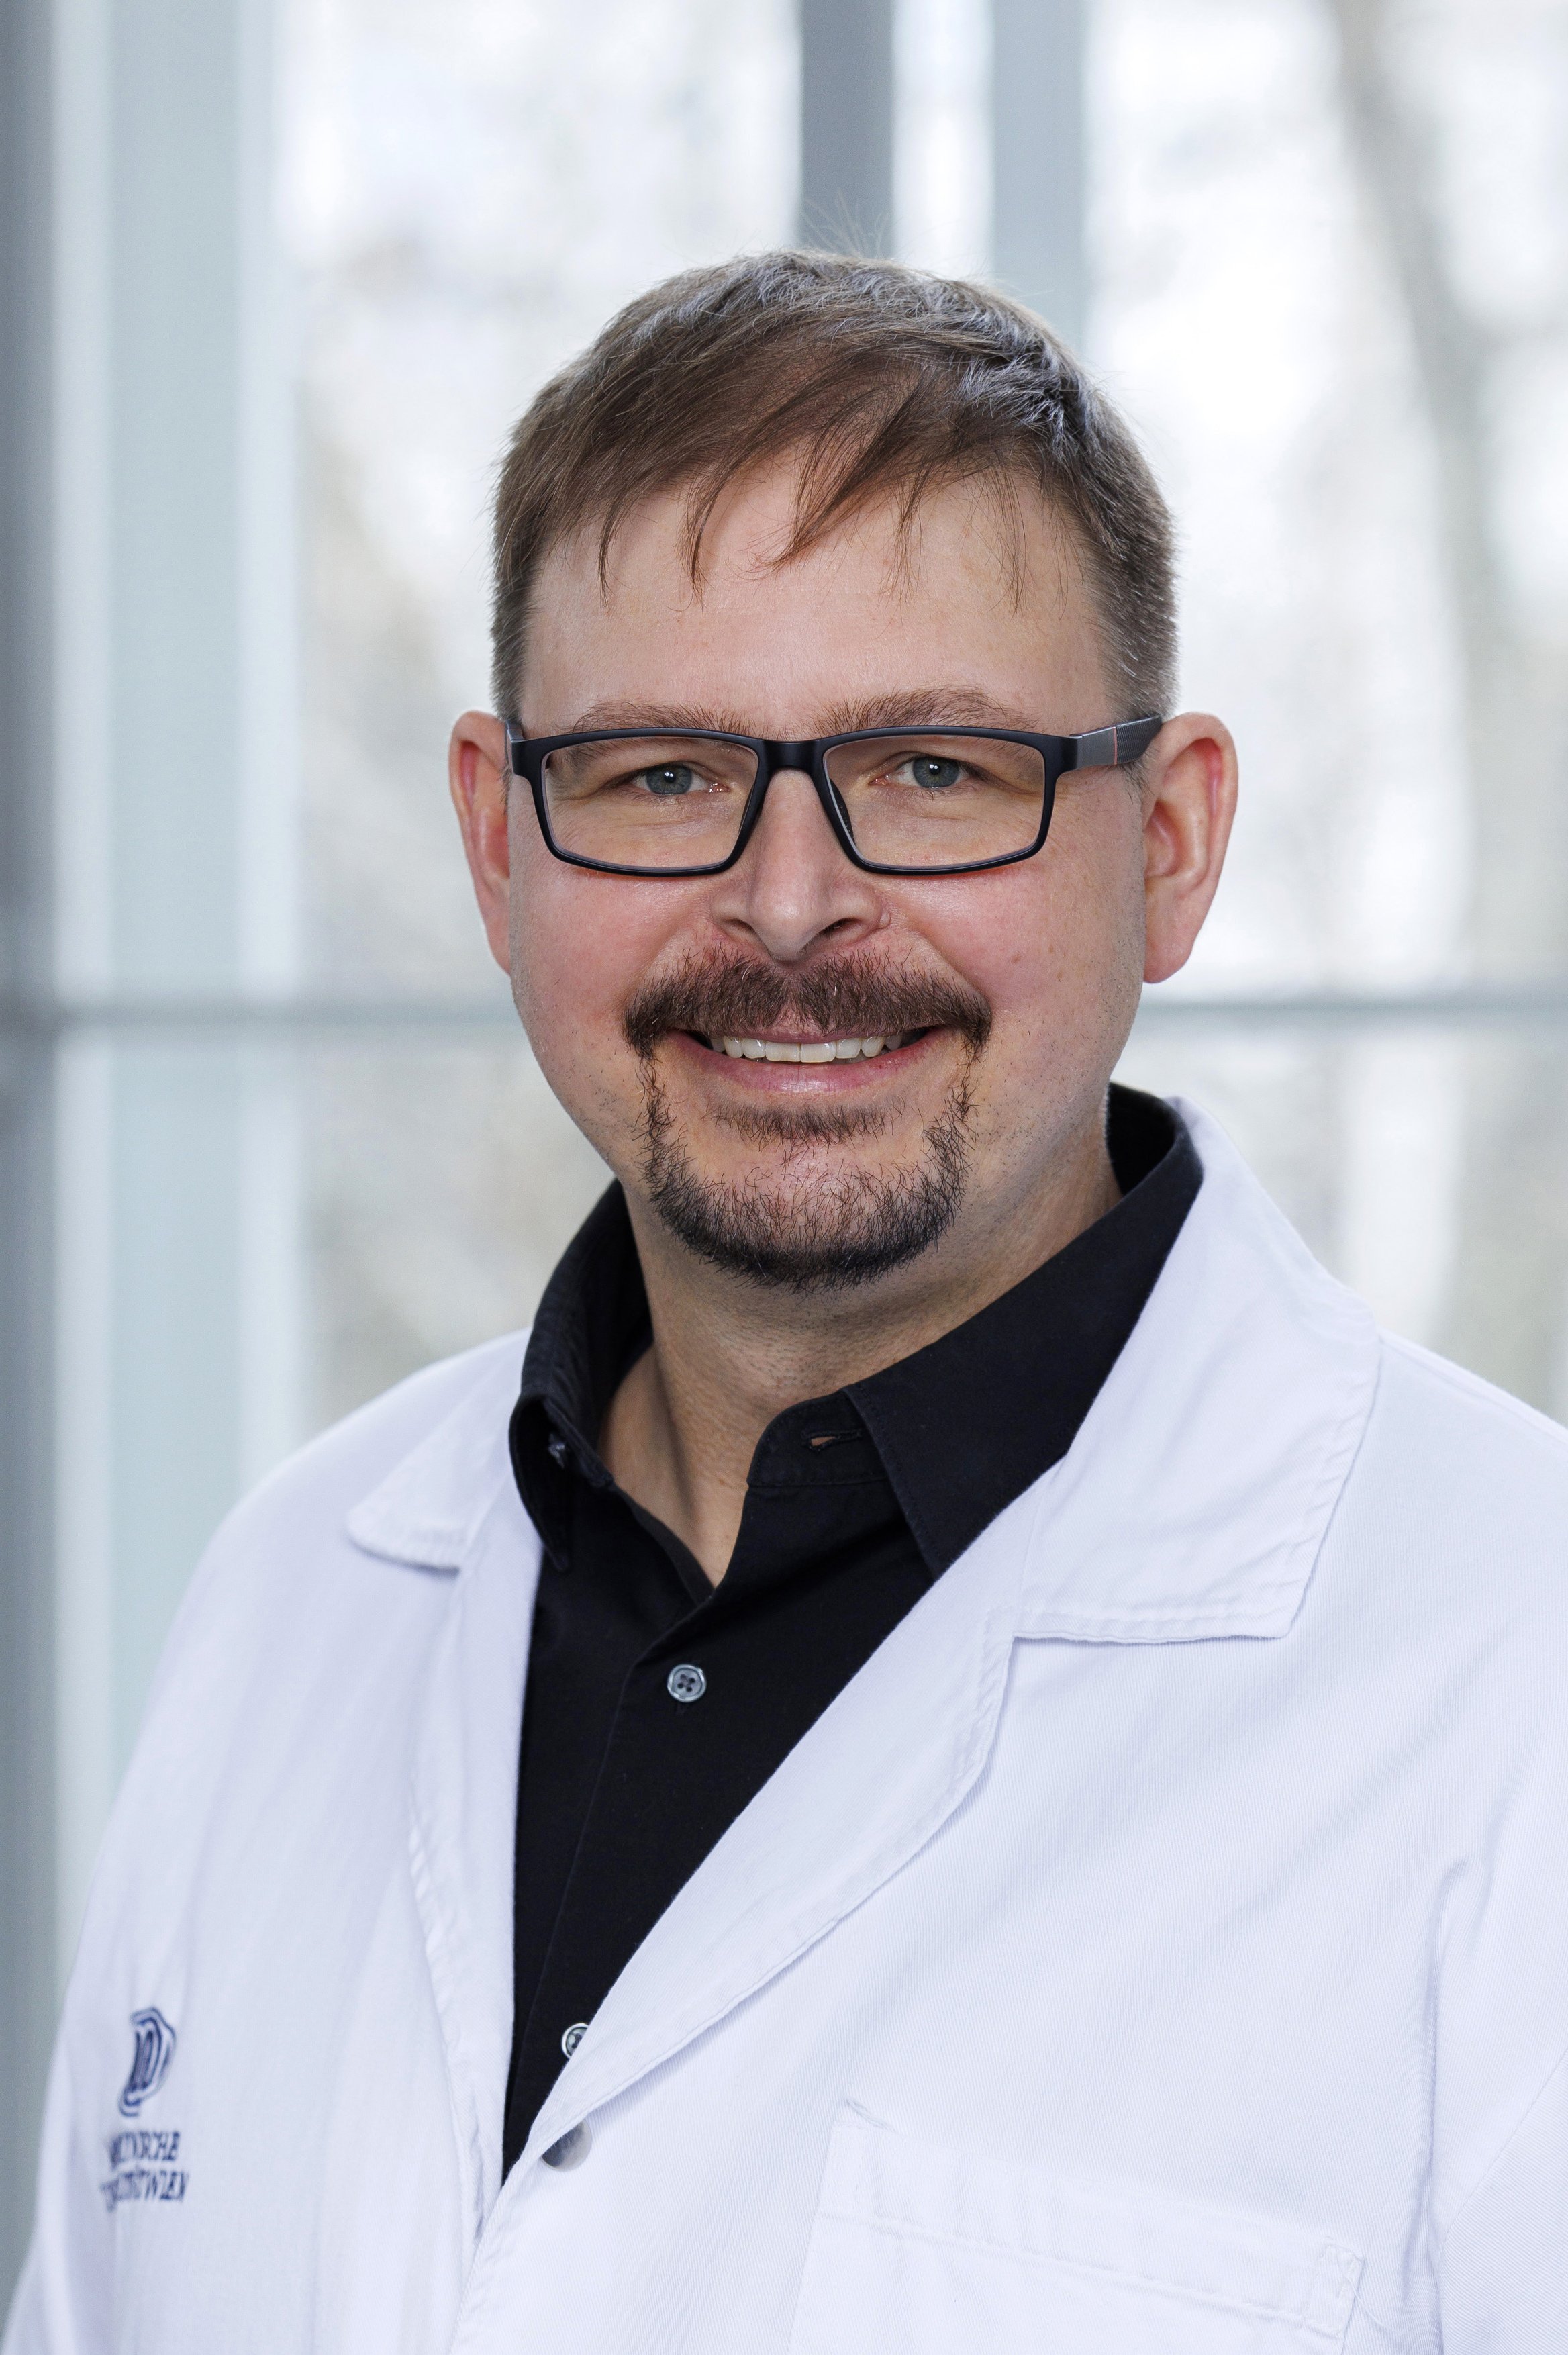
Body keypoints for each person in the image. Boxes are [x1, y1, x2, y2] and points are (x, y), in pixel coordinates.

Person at [7, 252, 1568, 2355]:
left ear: (1174, 843)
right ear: (498, 844)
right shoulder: (293, 1593)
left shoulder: (1514, 1666)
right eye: (659, 773)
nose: (789, 903)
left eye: (934, 768)